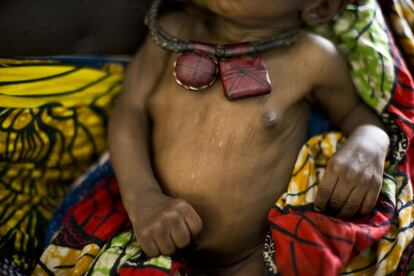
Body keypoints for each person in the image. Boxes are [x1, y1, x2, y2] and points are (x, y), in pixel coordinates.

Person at [108, 0, 390, 274]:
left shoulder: (312, 59)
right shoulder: (172, 33)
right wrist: (143, 199)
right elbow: (129, 112)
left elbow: (357, 115)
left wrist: (370, 143)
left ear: (321, 7)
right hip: (151, 242)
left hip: (252, 260)